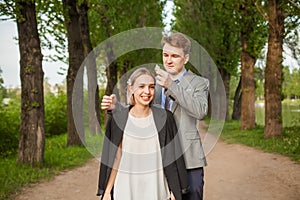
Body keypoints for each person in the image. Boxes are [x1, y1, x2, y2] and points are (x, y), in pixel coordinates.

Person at [101, 32, 209, 200]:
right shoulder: (154, 84)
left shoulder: (199, 83)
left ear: (186, 58)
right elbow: (143, 110)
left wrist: (171, 86)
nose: (168, 60)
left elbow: (200, 111)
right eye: (165, 55)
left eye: (174, 56)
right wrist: (116, 108)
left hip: (188, 159)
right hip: (161, 158)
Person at [97, 67, 189, 200]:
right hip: (126, 189)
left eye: (151, 87)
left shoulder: (165, 118)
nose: (147, 91)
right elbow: (116, 158)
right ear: (131, 89)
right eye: (141, 86)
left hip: (156, 189)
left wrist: (174, 191)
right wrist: (107, 191)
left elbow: (172, 156)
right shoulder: (119, 120)